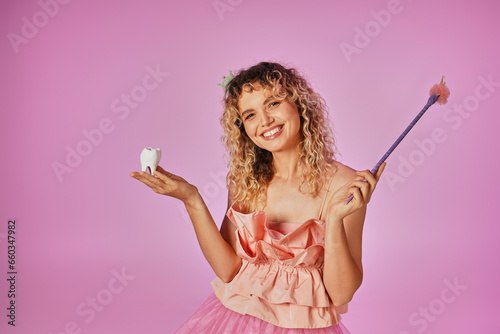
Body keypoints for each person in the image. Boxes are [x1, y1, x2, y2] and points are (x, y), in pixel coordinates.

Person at [130, 62, 386, 333]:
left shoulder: (343, 184)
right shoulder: (246, 181)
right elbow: (229, 271)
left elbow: (341, 294)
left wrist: (334, 219)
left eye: (273, 103)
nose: (264, 121)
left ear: (299, 104)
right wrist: (191, 199)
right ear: (243, 127)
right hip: (236, 320)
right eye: (250, 115)